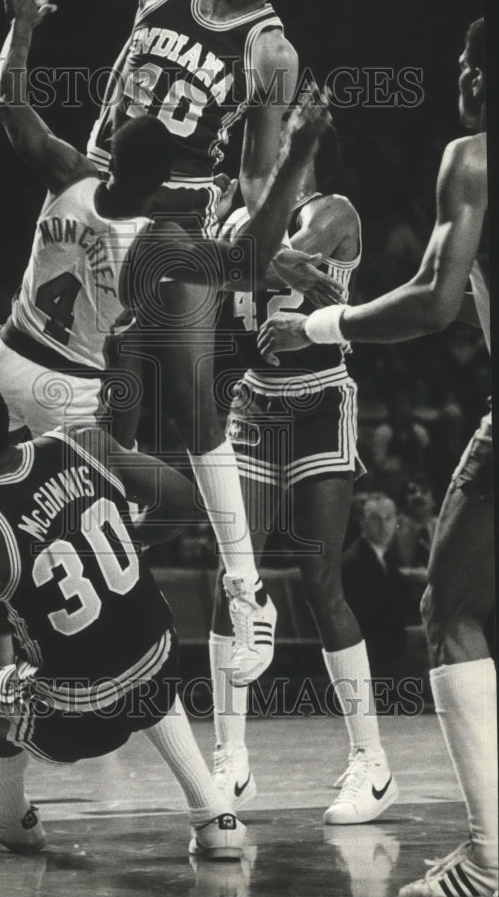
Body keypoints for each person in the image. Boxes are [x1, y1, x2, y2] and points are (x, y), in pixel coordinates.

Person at [0, 0, 338, 687]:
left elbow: (6, 99)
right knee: (169, 497)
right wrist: (301, 156)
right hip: (72, 404)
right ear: (165, 181)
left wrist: (20, 26)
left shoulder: (68, 174)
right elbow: (243, 262)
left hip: (6, 363)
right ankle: (205, 585)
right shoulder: (159, 246)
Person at [259, 19, 495, 897]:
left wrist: (320, 322)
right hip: (269, 408)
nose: (460, 72)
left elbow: (434, 303)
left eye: (470, 60)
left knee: (453, 606)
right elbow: (467, 302)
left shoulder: (471, 156)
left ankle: (488, 863)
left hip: (327, 395)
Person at [0, 374, 246, 881]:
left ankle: (12, 820)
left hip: (83, 716)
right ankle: (212, 813)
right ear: (7, 421)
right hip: (165, 663)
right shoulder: (81, 441)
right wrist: (118, 542)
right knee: (128, 630)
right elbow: (182, 503)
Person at [87, 0, 323, 685]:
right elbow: (119, 88)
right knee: (81, 391)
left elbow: (258, 173)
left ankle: (248, 589)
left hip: (182, 215)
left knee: (192, 407)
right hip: (101, 196)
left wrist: (272, 244)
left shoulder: (272, 52)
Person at [209, 122, 399, 824]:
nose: (262, 138)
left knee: (322, 580)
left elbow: (271, 257)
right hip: (255, 403)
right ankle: (232, 760)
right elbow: (199, 268)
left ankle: (371, 764)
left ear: (310, 142)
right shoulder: (232, 213)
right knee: (233, 577)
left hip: (320, 400)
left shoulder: (332, 211)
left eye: (283, 127)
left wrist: (238, 254)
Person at [341, 493, 413, 674]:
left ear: (396, 521)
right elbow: (371, 619)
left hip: (385, 640)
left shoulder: (384, 556)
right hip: (371, 650)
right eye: (375, 519)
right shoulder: (356, 561)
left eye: (388, 518)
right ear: (362, 522)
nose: (383, 526)